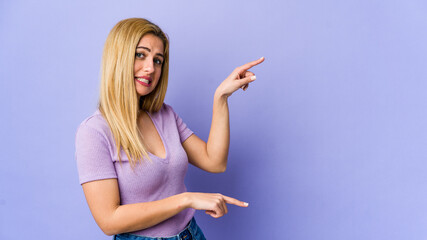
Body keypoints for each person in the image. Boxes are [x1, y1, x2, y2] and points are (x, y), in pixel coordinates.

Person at [75, 17, 264, 240]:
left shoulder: (164, 115)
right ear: (118, 57)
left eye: (158, 60)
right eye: (140, 55)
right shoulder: (94, 132)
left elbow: (215, 161)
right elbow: (109, 221)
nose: (150, 68)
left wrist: (221, 98)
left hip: (190, 234)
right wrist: (186, 199)